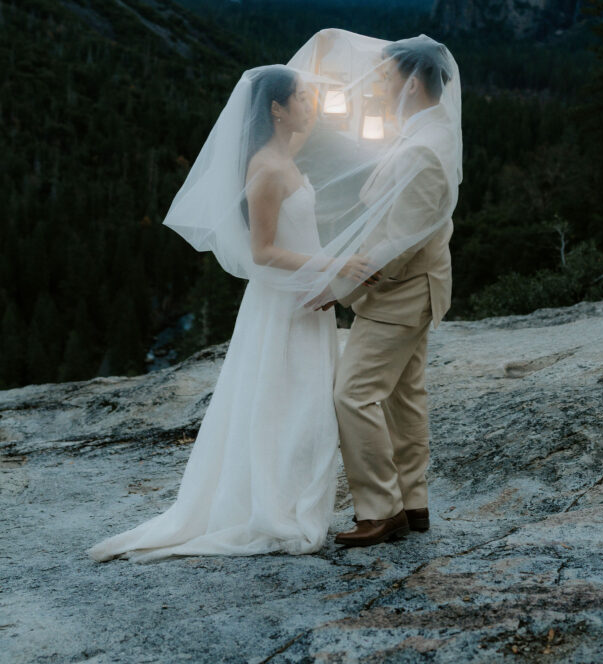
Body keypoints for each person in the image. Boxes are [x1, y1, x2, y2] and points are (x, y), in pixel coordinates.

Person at [86, 66, 374, 562]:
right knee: (289, 403)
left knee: (304, 401)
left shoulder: (284, 155)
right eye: (302, 97)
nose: (312, 105)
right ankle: (273, 505)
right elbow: (262, 252)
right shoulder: (265, 168)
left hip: (305, 296)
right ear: (276, 110)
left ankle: (288, 495)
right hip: (282, 302)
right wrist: (336, 262)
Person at [325, 36, 459, 548]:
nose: (377, 85)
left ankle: (380, 510)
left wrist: (335, 287)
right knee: (405, 397)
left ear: (410, 81)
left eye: (383, 77)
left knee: (353, 394)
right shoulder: (429, 133)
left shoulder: (423, 148)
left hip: (402, 293)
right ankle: (414, 501)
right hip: (418, 288)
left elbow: (398, 243)